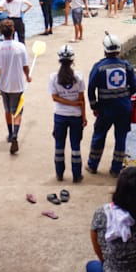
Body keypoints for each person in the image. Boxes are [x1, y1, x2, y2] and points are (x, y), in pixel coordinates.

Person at [86, 33, 136, 177]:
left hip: (105, 109)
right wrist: (125, 96)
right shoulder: (126, 66)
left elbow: (91, 89)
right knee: (121, 138)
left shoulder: (99, 67)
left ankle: (93, 165)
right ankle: (116, 169)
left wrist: (94, 106)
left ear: (105, 50)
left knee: (99, 136)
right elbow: (135, 86)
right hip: (124, 109)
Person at [0, 19, 31, 154]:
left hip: (4, 85)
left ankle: (9, 134)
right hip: (18, 85)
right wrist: (28, 76)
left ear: (1, 32)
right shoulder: (20, 47)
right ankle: (15, 134)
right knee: (18, 112)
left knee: (7, 110)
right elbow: (25, 66)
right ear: (13, 31)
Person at [48, 44, 86, 182]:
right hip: (76, 116)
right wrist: (83, 115)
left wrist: (69, 103)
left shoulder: (53, 77)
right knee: (75, 146)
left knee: (59, 146)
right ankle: (77, 175)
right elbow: (82, 100)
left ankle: (59, 174)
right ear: (72, 60)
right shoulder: (79, 77)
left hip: (60, 116)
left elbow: (54, 97)